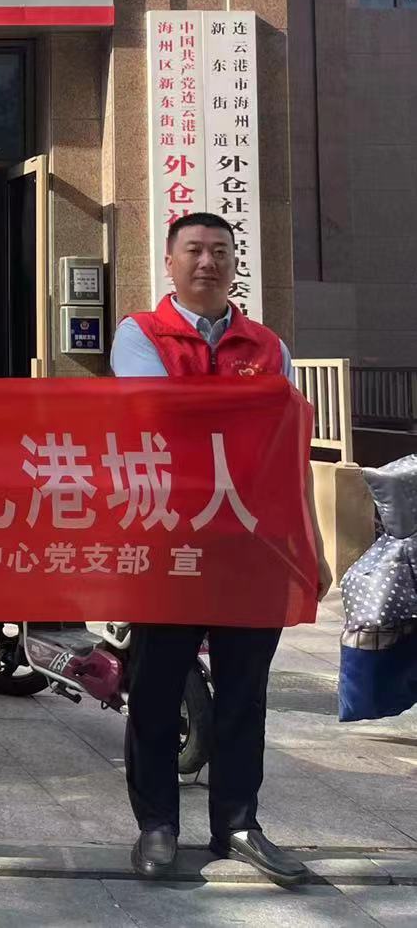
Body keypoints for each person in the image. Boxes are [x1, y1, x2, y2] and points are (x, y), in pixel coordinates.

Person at [113, 212, 332, 887]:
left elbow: (287, 449)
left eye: (220, 251)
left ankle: (238, 823)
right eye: (194, 250)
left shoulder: (268, 346)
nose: (207, 262)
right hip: (169, 543)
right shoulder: (140, 335)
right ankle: (157, 826)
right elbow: (159, 415)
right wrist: (240, 412)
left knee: (244, 693)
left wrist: (313, 543)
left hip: (252, 548)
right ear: (169, 262)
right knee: (156, 691)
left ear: (235, 262)